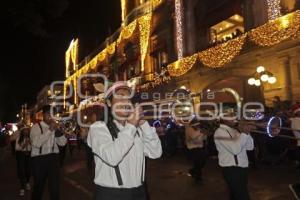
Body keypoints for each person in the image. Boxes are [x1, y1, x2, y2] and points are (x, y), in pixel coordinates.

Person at [88, 81, 162, 200]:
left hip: (139, 192)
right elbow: (111, 157)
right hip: (111, 195)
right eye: (120, 97)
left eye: (128, 98)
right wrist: (132, 125)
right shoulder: (98, 127)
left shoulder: (135, 128)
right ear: (108, 102)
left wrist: (143, 124)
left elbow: (156, 152)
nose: (126, 101)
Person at [30, 105, 67, 200]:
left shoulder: (55, 127)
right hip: (39, 159)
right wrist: (50, 130)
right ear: (43, 115)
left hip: (53, 158)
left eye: (53, 114)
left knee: (55, 187)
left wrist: (61, 132)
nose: (51, 117)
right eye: (49, 114)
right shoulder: (36, 127)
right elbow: (36, 143)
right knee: (39, 186)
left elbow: (62, 143)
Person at [214, 115, 254, 200]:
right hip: (232, 170)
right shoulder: (220, 132)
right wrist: (244, 133)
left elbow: (250, 147)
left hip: (241, 168)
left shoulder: (235, 131)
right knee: (243, 196)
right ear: (224, 119)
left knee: (235, 196)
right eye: (232, 117)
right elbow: (235, 150)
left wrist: (247, 133)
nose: (235, 119)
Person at [15, 125, 32, 196]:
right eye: (24, 130)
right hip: (21, 156)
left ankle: (27, 182)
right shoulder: (19, 139)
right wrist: (25, 144)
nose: (26, 132)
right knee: (22, 171)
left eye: (27, 130)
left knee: (28, 170)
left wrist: (31, 143)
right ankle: (22, 187)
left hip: (29, 155)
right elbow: (17, 148)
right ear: (22, 131)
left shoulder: (30, 138)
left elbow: (34, 146)